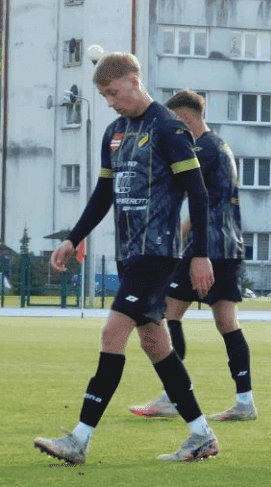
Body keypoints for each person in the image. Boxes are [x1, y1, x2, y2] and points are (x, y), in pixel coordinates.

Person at [35, 52, 219, 464]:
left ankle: (79, 439)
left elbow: (199, 194)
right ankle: (201, 435)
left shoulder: (169, 128)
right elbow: (103, 194)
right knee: (155, 344)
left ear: (134, 82)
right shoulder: (115, 132)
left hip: (158, 253)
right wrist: (73, 239)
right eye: (104, 95)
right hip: (129, 255)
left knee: (112, 334)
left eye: (113, 92)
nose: (109, 102)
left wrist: (200, 255)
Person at [128, 89, 256, 422]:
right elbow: (205, 201)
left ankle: (172, 397)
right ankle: (244, 401)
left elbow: (175, 182)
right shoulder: (220, 146)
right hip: (227, 246)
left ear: (185, 118)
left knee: (168, 314)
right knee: (226, 321)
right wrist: (180, 233)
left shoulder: (202, 148)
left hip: (207, 249)